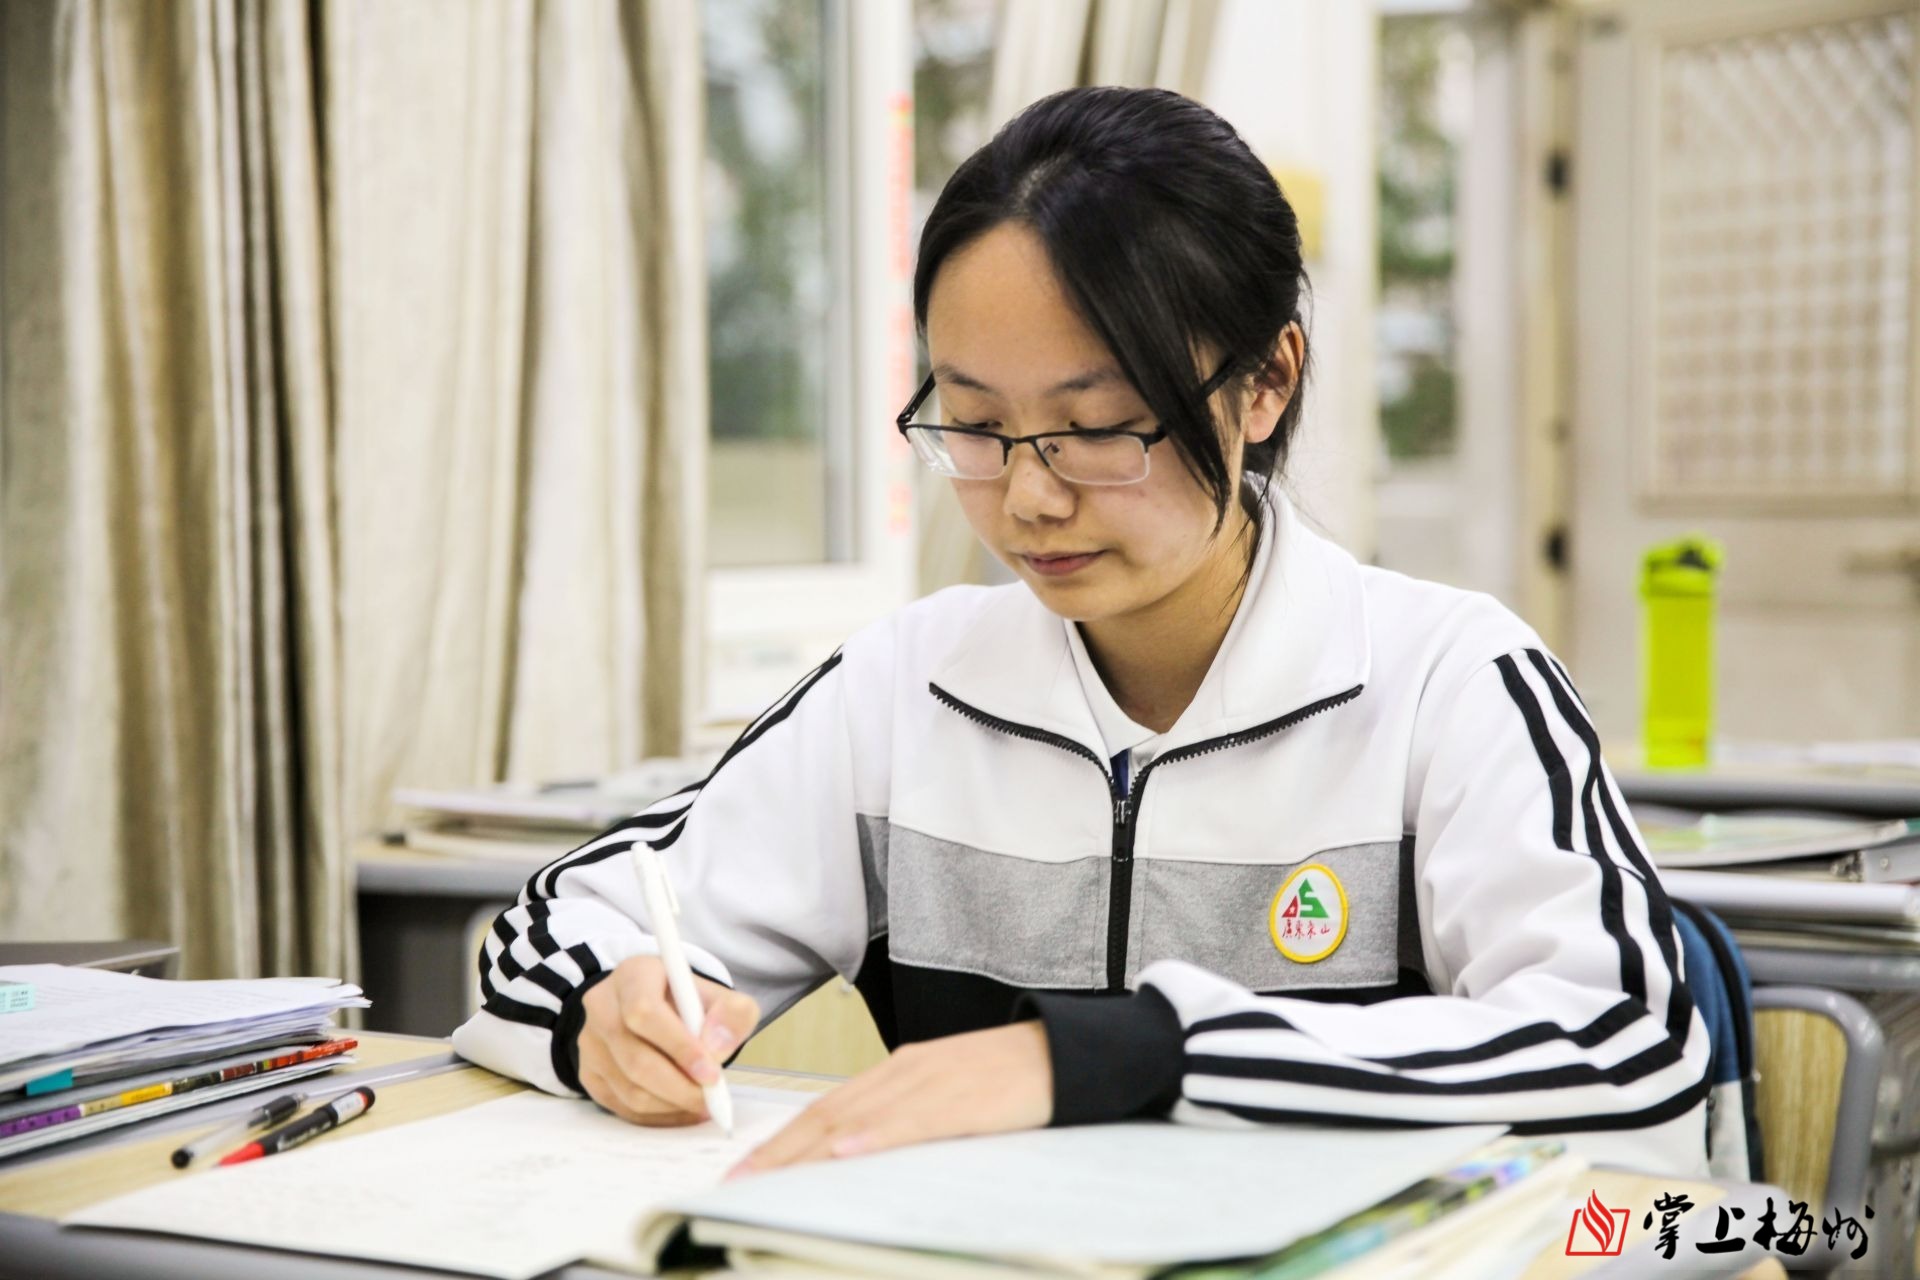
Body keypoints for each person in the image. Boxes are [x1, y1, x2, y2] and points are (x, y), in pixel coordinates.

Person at [452, 86, 1708, 1178]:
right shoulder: (909, 688)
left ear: (1266, 382)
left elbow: (1630, 1049)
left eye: (1099, 428)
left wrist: (1132, 1054)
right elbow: (558, 927)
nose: (1029, 495)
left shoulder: (1447, 680)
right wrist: (604, 1010)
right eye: (975, 425)